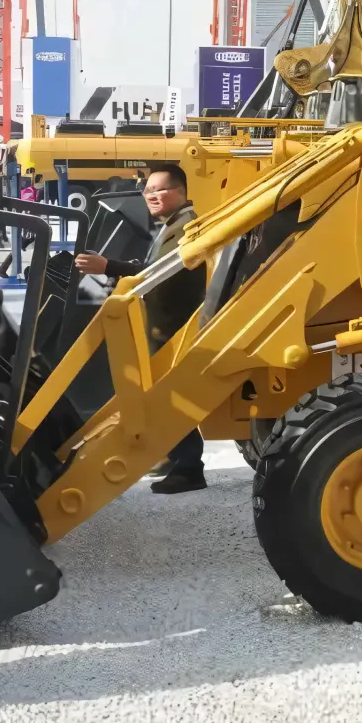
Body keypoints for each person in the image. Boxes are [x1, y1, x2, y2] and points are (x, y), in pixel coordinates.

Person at [74, 164, 208, 493]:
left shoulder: (185, 227)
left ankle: (188, 467)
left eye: (160, 190)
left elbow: (161, 273)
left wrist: (109, 267)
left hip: (173, 325)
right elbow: (152, 268)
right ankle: (174, 459)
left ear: (182, 192)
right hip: (164, 324)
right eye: (148, 191)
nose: (151, 196)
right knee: (164, 396)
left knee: (171, 398)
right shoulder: (173, 225)